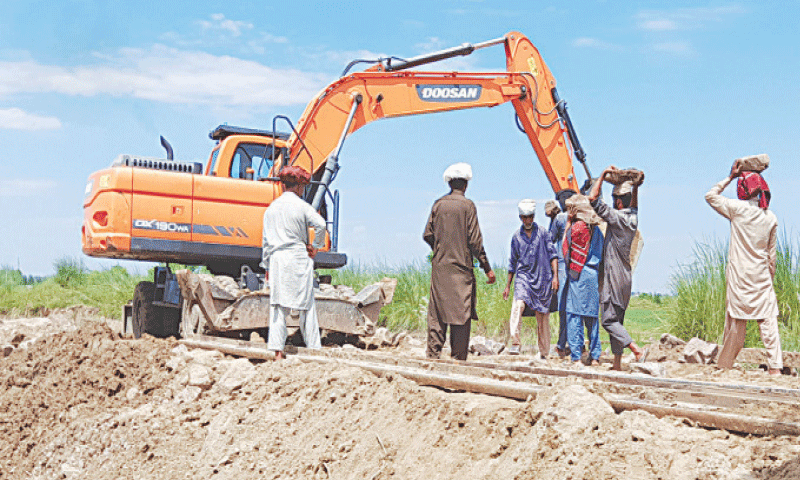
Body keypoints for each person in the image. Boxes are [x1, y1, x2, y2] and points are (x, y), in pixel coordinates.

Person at [705, 160, 782, 374]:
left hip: (740, 276)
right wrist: (770, 280)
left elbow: (710, 196)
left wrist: (729, 177)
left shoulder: (737, 210)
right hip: (761, 276)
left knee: (736, 324)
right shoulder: (770, 217)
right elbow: (771, 256)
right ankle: (775, 367)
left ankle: (725, 364)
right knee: (768, 323)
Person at [424, 162, 496, 361]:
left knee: (437, 314)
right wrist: (487, 268)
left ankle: (433, 356)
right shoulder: (468, 206)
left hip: (440, 269)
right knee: (461, 314)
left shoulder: (438, 205)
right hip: (462, 270)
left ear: (450, 184)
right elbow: (475, 241)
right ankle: (458, 358)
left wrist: (440, 251)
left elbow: (427, 234)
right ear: (465, 185)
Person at [261, 166, 327, 360]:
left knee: (278, 306)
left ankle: (277, 351)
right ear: (299, 186)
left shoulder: (271, 209)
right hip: (297, 256)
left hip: (277, 259)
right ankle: (314, 349)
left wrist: (267, 267)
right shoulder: (301, 206)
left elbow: (265, 243)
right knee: (306, 306)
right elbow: (321, 225)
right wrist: (316, 246)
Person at [588, 166, 647, 370]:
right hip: (626, 278)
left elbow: (593, 201)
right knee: (617, 321)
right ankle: (617, 363)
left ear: (618, 202)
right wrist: (636, 187)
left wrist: (603, 175)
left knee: (608, 321)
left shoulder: (617, 219)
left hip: (613, 277)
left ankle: (636, 350)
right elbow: (635, 205)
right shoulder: (632, 218)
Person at [502, 199, 558, 357]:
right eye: (524, 217)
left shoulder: (543, 233)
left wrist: (555, 277)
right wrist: (508, 285)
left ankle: (544, 351)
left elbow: (553, 255)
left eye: (530, 217)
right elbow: (512, 262)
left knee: (542, 314)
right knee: (518, 305)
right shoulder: (516, 237)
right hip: (523, 277)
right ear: (520, 218)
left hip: (542, 278)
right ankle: (515, 342)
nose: (527, 220)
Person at [562, 195, 604, 366]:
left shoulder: (576, 229)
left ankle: (576, 356)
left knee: (574, 316)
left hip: (577, 276)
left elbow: (565, 249)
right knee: (592, 318)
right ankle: (595, 356)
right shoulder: (598, 232)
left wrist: (568, 222)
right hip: (592, 276)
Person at [549, 193, 574, 359]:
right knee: (574, 307)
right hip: (577, 265)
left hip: (562, 266)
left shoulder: (559, 218)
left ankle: (561, 344)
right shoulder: (581, 218)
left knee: (563, 307)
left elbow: (550, 240)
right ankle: (573, 344)